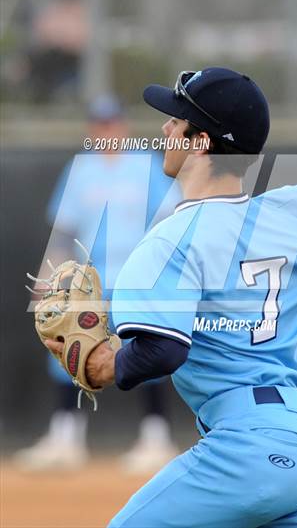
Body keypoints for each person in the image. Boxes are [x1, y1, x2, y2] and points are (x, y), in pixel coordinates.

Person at [46, 68, 297, 527]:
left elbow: (163, 349)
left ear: (199, 142)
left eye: (175, 121)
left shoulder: (168, 240)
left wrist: (100, 366)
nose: (164, 129)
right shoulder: (290, 213)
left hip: (250, 449)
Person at [15, 94, 181, 473]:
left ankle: (156, 437)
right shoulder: (82, 169)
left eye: (111, 122)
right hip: (87, 276)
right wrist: (47, 276)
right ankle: (65, 437)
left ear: (122, 125)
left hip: (137, 270)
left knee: (146, 345)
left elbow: (169, 218)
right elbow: (64, 230)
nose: (106, 130)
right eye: (99, 123)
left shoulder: (148, 164)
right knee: (68, 348)